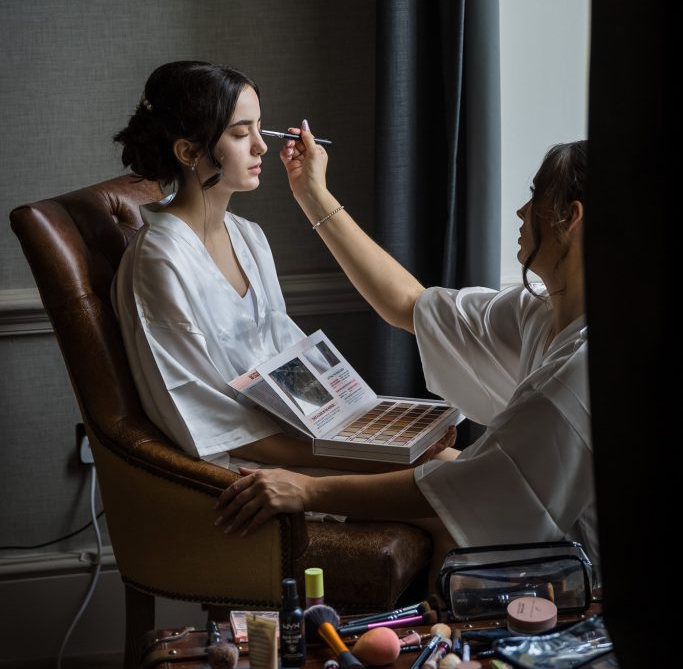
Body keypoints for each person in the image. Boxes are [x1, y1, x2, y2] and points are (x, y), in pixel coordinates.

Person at [214, 128, 598, 574]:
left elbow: (482, 489)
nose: (520, 210)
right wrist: (311, 192)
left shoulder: (585, 367)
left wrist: (306, 490)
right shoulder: (538, 313)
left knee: (450, 519)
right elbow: (409, 304)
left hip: (585, 567)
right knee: (434, 463)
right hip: (542, 520)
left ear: (570, 216)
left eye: (536, 196)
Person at [111, 61, 429, 478]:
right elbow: (202, 417)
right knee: (449, 485)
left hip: (301, 436)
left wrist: (371, 431)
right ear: (189, 151)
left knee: (459, 470)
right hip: (246, 466)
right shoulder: (160, 260)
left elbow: (286, 355)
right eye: (242, 134)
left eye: (260, 129)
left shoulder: (248, 237)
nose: (261, 146)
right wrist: (355, 456)